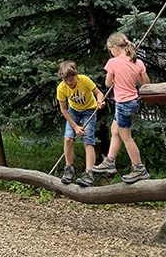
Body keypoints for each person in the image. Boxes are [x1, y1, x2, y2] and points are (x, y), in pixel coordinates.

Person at [91, 32, 151, 183]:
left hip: (123, 103)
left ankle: (139, 168)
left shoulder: (113, 62)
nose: (111, 52)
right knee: (114, 130)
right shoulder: (137, 62)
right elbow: (145, 82)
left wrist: (116, 76)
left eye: (111, 49)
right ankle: (109, 161)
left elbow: (108, 84)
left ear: (115, 48)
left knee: (126, 136)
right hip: (132, 101)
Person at [56, 60, 105, 186]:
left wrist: (100, 101)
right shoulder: (61, 88)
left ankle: (89, 173)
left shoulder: (84, 80)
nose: (68, 83)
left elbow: (99, 93)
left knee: (88, 141)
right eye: (65, 80)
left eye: (71, 80)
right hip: (73, 112)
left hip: (89, 110)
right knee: (68, 139)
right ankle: (69, 169)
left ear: (76, 75)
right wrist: (75, 126)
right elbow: (63, 109)